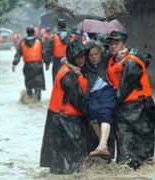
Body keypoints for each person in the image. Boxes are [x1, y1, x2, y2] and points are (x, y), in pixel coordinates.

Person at [107, 31, 155, 170]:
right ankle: (128, 169)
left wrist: (110, 108)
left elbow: (123, 89)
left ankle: (134, 170)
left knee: (140, 144)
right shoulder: (112, 59)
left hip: (140, 107)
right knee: (125, 143)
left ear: (124, 45)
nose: (112, 46)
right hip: (126, 106)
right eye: (110, 44)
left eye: (116, 44)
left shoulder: (131, 62)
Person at [40, 40, 88, 174]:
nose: (81, 59)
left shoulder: (69, 70)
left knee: (60, 162)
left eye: (83, 56)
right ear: (72, 56)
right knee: (70, 161)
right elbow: (79, 100)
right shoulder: (68, 75)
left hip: (59, 119)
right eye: (78, 56)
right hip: (65, 121)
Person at [83, 40, 116, 157]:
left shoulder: (106, 58)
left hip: (106, 90)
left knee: (105, 112)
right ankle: (101, 144)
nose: (94, 57)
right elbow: (66, 59)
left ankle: (103, 144)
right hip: (91, 93)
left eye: (96, 54)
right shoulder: (84, 64)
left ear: (100, 53)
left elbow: (117, 53)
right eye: (91, 55)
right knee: (92, 112)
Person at [12, 26, 46, 101]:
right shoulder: (39, 41)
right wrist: (47, 63)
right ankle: (37, 100)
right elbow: (44, 53)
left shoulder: (22, 42)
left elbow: (18, 55)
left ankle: (30, 98)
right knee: (38, 85)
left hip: (27, 66)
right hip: (38, 65)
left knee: (29, 83)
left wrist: (14, 64)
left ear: (27, 32)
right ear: (34, 32)